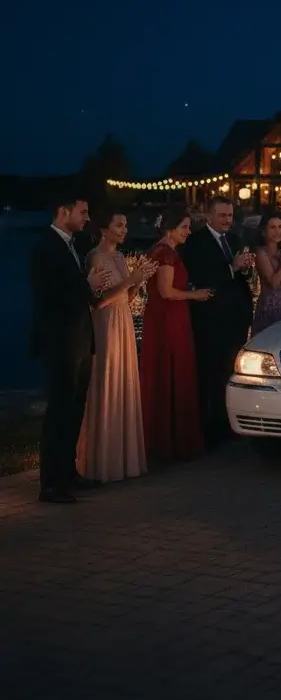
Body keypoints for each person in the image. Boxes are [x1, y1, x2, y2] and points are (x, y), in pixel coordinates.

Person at [28, 195, 102, 503]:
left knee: (75, 408)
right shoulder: (46, 247)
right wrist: (89, 284)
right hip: (60, 341)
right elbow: (52, 297)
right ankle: (50, 483)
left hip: (79, 339)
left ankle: (68, 472)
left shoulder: (73, 245)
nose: (87, 218)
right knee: (59, 409)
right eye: (82, 212)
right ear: (63, 211)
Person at [76, 209, 157, 483]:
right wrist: (130, 281)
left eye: (125, 225)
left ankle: (124, 460)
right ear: (103, 229)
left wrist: (138, 281)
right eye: (119, 225)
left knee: (123, 383)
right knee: (107, 383)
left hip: (123, 320)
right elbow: (97, 300)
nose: (124, 230)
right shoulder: (95, 258)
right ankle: (101, 462)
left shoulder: (120, 257)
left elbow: (127, 294)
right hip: (106, 323)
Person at [178, 196, 255, 447]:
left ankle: (227, 425)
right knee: (209, 375)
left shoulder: (234, 240)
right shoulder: (196, 242)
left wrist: (246, 270)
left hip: (236, 318)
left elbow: (237, 277)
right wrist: (232, 267)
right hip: (211, 320)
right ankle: (207, 432)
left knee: (229, 374)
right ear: (208, 216)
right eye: (222, 216)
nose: (228, 220)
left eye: (231, 216)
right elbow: (202, 276)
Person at [140, 207, 210, 464]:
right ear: (170, 228)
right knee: (172, 368)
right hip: (168, 317)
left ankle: (166, 437)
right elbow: (166, 292)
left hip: (166, 316)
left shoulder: (159, 251)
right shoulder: (166, 253)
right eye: (184, 227)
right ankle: (170, 441)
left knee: (167, 370)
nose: (188, 232)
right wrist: (196, 295)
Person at [252, 213, 281, 334]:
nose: (277, 231)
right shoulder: (261, 252)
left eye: (280, 227)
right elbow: (274, 283)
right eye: (272, 227)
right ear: (264, 231)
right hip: (271, 306)